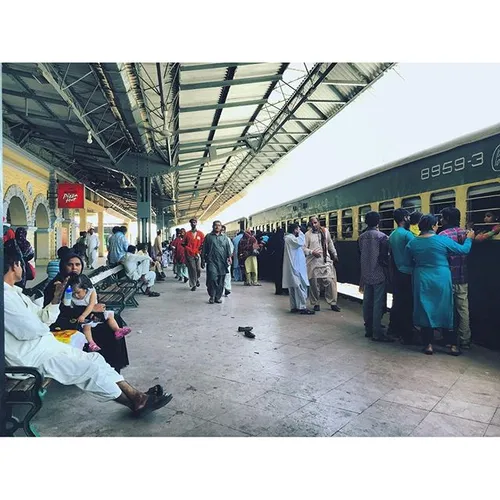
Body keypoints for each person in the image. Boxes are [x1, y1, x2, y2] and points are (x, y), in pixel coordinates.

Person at [4, 241, 173, 417]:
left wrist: (55, 299)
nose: (25, 268)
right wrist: (46, 319)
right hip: (32, 357)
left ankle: (137, 397)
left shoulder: (15, 293)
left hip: (46, 346)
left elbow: (43, 317)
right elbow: (32, 329)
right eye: (22, 264)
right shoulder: (6, 299)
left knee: (95, 359)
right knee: (89, 369)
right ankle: (135, 401)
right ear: (15, 266)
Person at [404, 214, 474, 355]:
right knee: (446, 308)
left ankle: (428, 345)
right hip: (441, 276)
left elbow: (407, 262)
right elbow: (463, 250)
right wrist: (469, 239)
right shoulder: (442, 240)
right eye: (436, 224)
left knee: (425, 309)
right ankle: (453, 345)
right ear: (433, 226)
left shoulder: (412, 243)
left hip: (422, 276)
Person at [70, 273, 132, 352]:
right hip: (85, 316)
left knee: (110, 315)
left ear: (85, 289)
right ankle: (91, 343)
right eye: (73, 293)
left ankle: (117, 330)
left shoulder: (91, 292)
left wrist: (83, 315)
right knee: (86, 327)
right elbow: (72, 308)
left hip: (93, 311)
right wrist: (83, 316)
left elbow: (91, 305)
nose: (76, 295)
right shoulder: (71, 296)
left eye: (78, 292)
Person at [358, 211, 393, 342]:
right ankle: (377, 332)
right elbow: (384, 258)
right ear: (378, 222)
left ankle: (368, 328)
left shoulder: (361, 237)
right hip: (378, 273)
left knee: (367, 302)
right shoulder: (383, 237)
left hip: (366, 273)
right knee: (378, 303)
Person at [439, 207, 472, 350]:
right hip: (463, 277)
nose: (440, 220)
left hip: (448, 278)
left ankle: (449, 338)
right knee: (463, 309)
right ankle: (465, 339)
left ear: (446, 219)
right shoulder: (466, 234)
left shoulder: (443, 235)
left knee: (448, 308)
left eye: (442, 217)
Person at [388, 208, 414, 344]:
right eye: (408, 217)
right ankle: (406, 333)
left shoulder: (393, 234)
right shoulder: (407, 235)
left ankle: (394, 329)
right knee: (407, 304)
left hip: (398, 271)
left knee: (397, 302)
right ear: (405, 218)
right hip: (408, 272)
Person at [303, 216, 341, 312]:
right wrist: (312, 252)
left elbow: (330, 243)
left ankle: (333, 303)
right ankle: (316, 303)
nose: (314, 225)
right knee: (314, 284)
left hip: (325, 260)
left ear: (319, 222)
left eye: (315, 223)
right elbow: (303, 248)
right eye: (312, 224)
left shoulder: (325, 232)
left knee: (330, 281)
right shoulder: (307, 235)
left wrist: (334, 254)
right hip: (313, 262)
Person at [282, 223, 314, 315]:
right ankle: (302, 307)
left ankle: (294, 306)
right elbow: (300, 242)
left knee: (293, 288)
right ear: (295, 230)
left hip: (295, 266)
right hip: (296, 267)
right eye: (298, 229)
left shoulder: (289, 238)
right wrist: (301, 233)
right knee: (300, 286)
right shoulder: (291, 238)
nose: (299, 231)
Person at [202, 221, 233, 304]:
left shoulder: (224, 237)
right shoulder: (208, 237)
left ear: (221, 227)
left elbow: (227, 248)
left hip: (222, 262)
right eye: (215, 225)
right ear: (213, 226)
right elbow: (204, 249)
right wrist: (202, 260)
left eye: (219, 225)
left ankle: (217, 297)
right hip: (211, 261)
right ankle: (212, 295)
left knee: (221, 280)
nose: (217, 227)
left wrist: (229, 257)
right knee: (212, 278)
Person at [184, 218, 205, 291]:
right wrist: (187, 249)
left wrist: (201, 252)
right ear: (190, 224)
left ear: (196, 223)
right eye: (192, 222)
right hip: (189, 254)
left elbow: (203, 243)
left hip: (197, 254)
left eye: (194, 222)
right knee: (192, 269)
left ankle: (196, 279)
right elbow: (184, 243)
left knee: (198, 269)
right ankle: (193, 284)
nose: (193, 224)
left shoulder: (200, 234)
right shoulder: (187, 234)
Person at [267, 228, 286, 295]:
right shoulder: (282, 240)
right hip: (281, 259)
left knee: (276, 275)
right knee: (281, 274)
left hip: (274, 259)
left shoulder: (272, 238)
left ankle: (278, 290)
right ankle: (282, 289)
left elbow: (269, 247)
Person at [221, 225, 234, 296]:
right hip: (217, 260)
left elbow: (231, 248)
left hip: (226, 259)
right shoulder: (213, 238)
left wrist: (229, 257)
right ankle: (220, 288)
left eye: (223, 230)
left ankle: (227, 288)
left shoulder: (227, 239)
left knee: (227, 274)